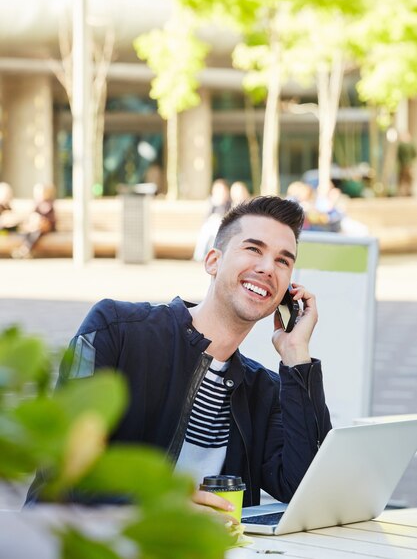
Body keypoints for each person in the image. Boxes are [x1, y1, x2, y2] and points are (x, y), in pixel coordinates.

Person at [26, 196, 331, 520]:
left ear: (288, 290)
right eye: (253, 249)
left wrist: (296, 356)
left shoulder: (263, 391)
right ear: (212, 261)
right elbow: (65, 465)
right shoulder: (115, 329)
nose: (268, 268)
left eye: (283, 261)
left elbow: (307, 491)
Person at [12, 183, 56, 259]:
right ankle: (25, 249)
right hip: (37, 227)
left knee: (36, 233)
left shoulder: (48, 204)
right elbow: (33, 215)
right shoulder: (37, 203)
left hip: (47, 227)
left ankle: (25, 250)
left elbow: (47, 218)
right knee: (29, 233)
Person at [193, 179, 232, 261]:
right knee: (206, 233)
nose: (221, 193)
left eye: (223, 191)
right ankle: (199, 256)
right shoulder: (211, 202)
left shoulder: (229, 203)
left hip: (223, 228)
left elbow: (229, 217)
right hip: (210, 227)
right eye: (218, 191)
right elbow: (206, 218)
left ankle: (210, 257)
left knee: (215, 230)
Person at [397, 131, 416, 196]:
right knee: (409, 179)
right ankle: (408, 191)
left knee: (402, 179)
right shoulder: (411, 145)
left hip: (403, 164)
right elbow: (414, 154)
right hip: (409, 164)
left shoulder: (401, 145)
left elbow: (398, 155)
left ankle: (402, 192)